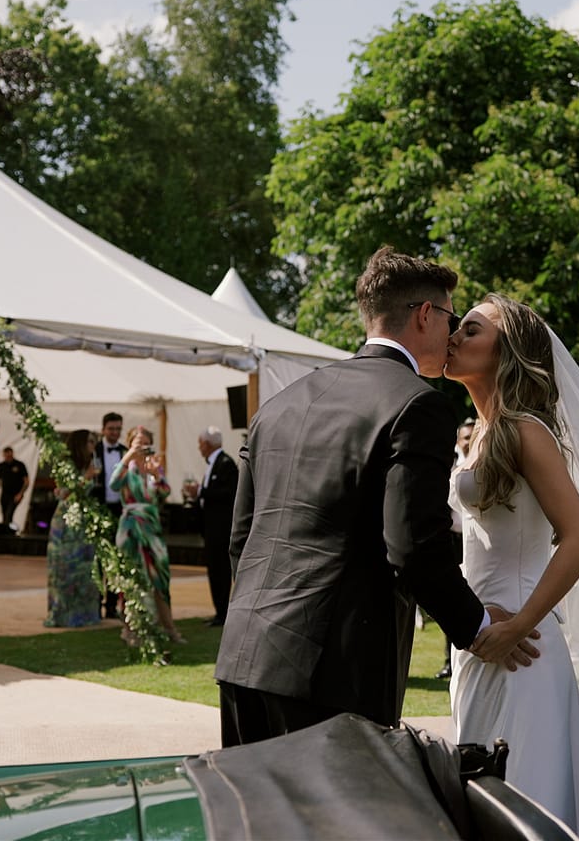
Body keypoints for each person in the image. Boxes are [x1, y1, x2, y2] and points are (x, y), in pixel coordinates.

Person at [215, 247, 536, 748]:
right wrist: (475, 626)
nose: (452, 335)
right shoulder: (417, 405)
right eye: (451, 319)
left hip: (242, 655)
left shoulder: (278, 405)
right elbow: (413, 546)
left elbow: (241, 539)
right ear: (426, 314)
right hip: (336, 669)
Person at [444, 293, 579, 840]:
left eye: (470, 329)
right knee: (482, 798)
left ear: (507, 351)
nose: (453, 336)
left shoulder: (526, 431)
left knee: (524, 800)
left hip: (523, 648)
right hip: (477, 639)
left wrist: (519, 624)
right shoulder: (482, 434)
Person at [110, 425, 180, 646]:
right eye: (138, 443)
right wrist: (129, 457)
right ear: (130, 444)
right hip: (131, 527)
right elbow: (113, 484)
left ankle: (168, 627)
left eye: (146, 443)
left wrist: (157, 475)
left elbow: (165, 492)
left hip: (152, 527)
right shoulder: (125, 468)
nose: (142, 447)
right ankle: (131, 629)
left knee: (160, 577)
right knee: (132, 578)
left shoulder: (153, 467)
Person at [44, 430, 101, 628]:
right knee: (65, 567)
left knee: (85, 569)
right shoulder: (66, 466)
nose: (93, 446)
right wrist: (86, 478)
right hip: (66, 521)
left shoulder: (90, 464)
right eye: (90, 442)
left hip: (84, 521)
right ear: (80, 444)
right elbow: (64, 494)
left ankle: (85, 614)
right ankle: (64, 614)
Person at [438, 417, 479, 679]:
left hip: (475, 540)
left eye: (472, 436)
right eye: (465, 437)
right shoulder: (448, 462)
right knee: (451, 596)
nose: (468, 441)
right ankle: (449, 660)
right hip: (453, 540)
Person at [196, 426, 238, 628]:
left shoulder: (226, 464)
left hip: (221, 529)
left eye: (200, 443)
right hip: (210, 527)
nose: (199, 448)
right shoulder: (213, 464)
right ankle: (219, 611)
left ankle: (223, 612)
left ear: (207, 444)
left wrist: (201, 492)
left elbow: (229, 494)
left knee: (221, 570)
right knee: (214, 570)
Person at [91, 412, 127, 619]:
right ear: (103, 429)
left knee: (116, 559)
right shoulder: (94, 451)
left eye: (118, 429)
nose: (115, 433)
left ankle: (112, 605)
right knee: (98, 560)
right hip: (99, 509)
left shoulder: (125, 451)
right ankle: (95, 604)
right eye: (111, 429)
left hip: (120, 511)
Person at [0, 446, 29, 529]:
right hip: (4, 495)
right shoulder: (0, 466)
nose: (8, 458)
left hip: (15, 495)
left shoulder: (19, 465)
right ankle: (7, 531)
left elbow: (26, 482)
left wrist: (20, 494)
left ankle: (9, 531)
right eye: (6, 456)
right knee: (5, 516)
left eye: (9, 456)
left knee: (9, 515)